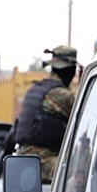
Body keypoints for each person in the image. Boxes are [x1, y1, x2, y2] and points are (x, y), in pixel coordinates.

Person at [14, 45, 78, 183]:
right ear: (70, 70)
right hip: (42, 163)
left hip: (24, 160)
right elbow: (89, 110)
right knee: (80, 172)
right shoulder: (62, 95)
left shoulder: (35, 88)